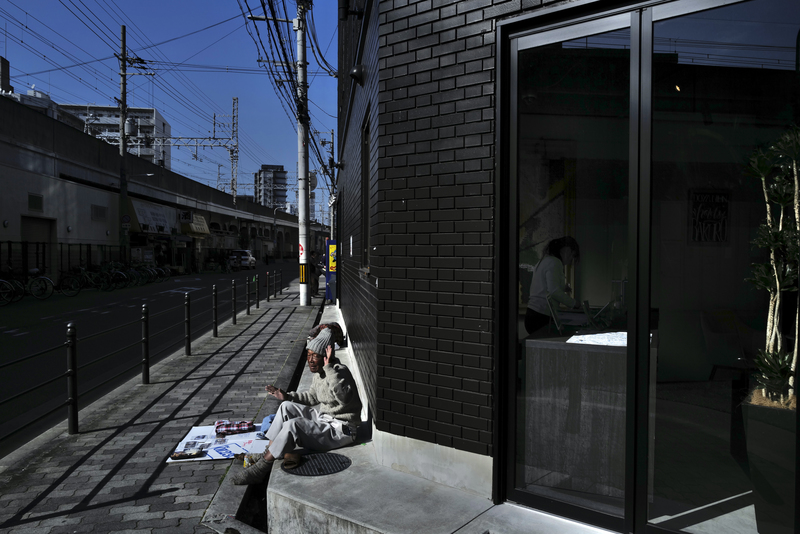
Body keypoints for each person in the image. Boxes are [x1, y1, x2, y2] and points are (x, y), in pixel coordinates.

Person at [231, 328, 362, 485]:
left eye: (315, 356)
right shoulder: (319, 374)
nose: (310, 360)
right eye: (308, 355)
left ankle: (260, 469)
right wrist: (287, 396)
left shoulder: (340, 372)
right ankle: (267, 451)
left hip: (341, 430)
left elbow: (345, 398)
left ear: (326, 356)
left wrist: (329, 369)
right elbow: (312, 397)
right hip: (325, 420)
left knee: (293, 425)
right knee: (286, 406)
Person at [525, 236, 581, 336]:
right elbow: (554, 292)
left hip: (532, 315)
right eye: (573, 255)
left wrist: (563, 288)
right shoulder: (555, 262)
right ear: (567, 250)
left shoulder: (543, 261)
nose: (571, 260)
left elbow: (545, 287)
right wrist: (574, 303)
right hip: (541, 317)